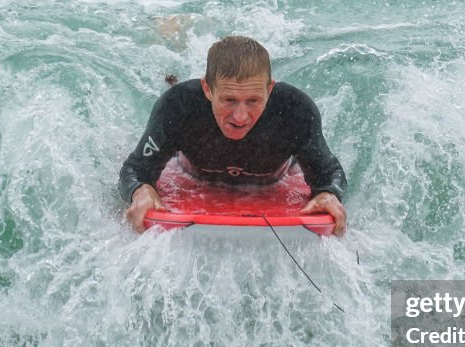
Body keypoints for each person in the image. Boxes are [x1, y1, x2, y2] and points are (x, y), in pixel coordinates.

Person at [120, 35, 347, 235]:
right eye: (229, 100)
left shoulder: (295, 110)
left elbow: (329, 172)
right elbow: (136, 169)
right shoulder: (178, 105)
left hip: (274, 181)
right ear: (208, 90)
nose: (240, 117)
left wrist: (328, 193)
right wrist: (141, 190)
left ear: (269, 90)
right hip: (191, 173)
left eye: (253, 101)